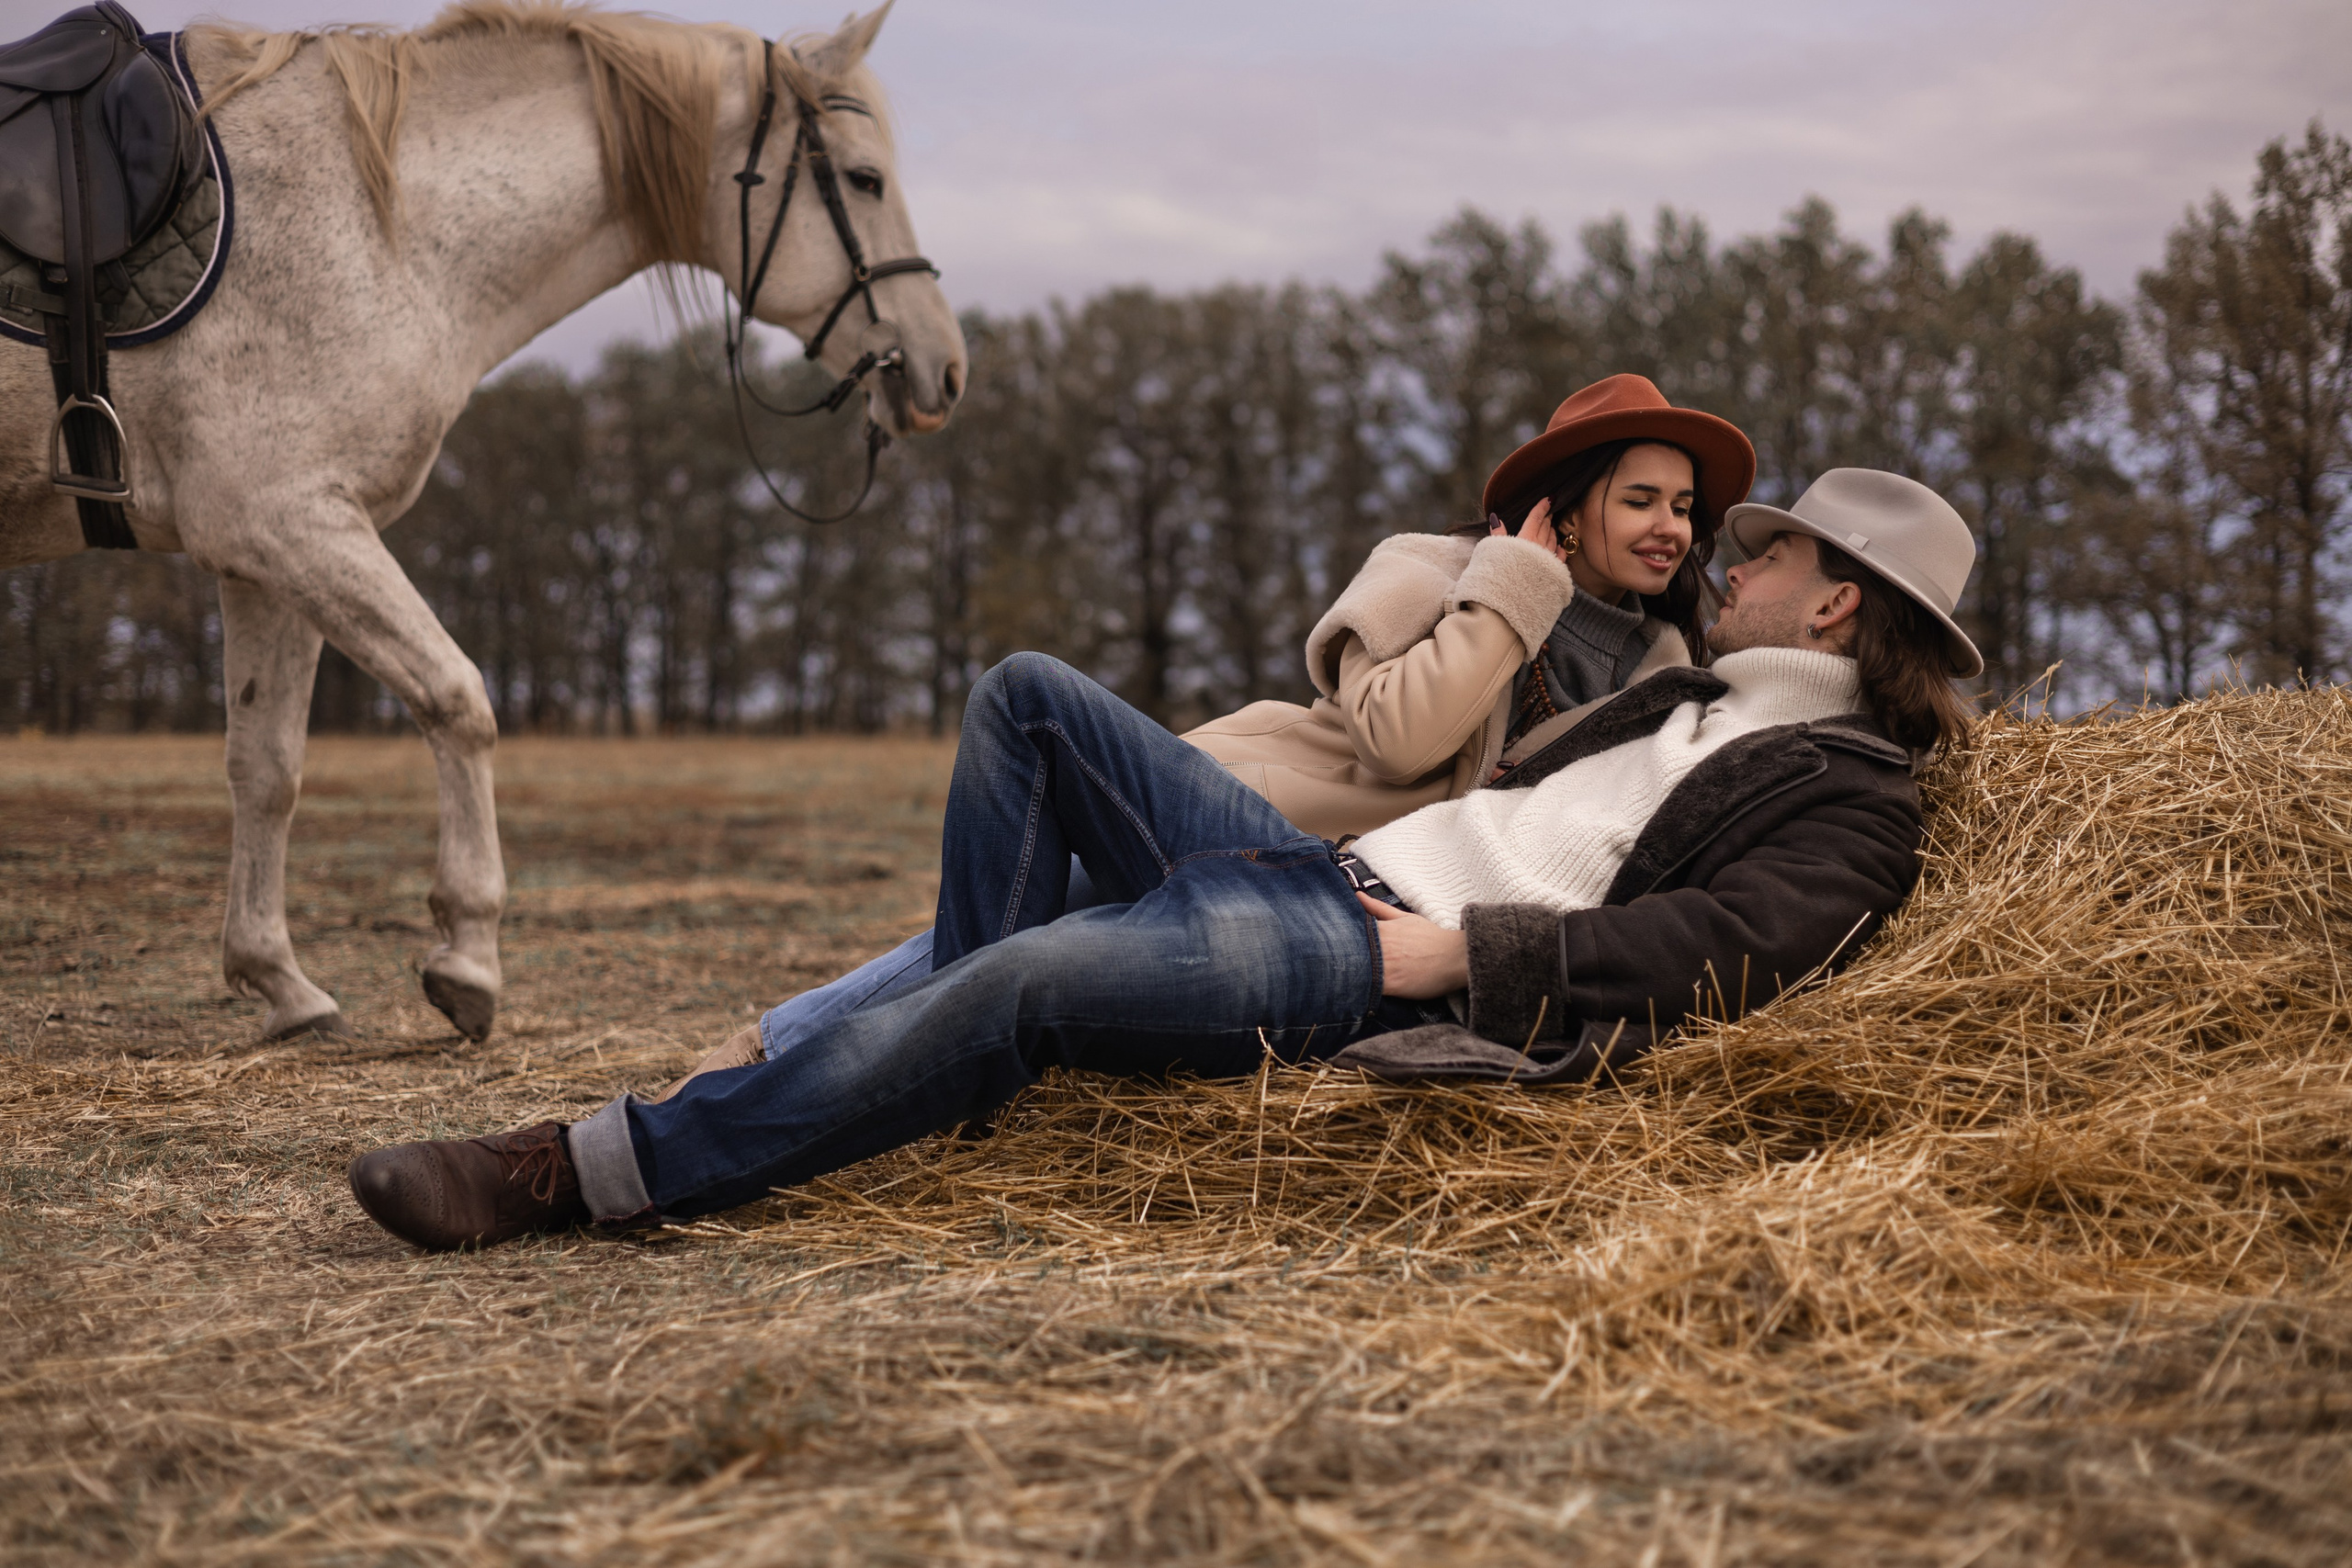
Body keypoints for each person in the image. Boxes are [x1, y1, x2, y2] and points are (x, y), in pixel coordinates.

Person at [348, 467, 1984, 1251]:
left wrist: (1460, 959)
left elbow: (1729, 947)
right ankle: (950, 1065)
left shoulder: (1848, 789)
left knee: (1038, 969)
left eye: (1761, 549)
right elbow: (1426, 740)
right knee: (1026, 704)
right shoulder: (1661, 695)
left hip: (1367, 947)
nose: (1730, 558)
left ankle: (580, 1169)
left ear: (1836, 599)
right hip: (1297, 865)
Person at [669, 374, 1756, 1095]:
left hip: (1358, 894)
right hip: (1243, 819)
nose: (1671, 529)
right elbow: (1398, 739)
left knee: (1035, 933)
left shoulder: (1664, 677)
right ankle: (779, 1070)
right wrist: (1512, 590)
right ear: (1565, 511)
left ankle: (778, 1057)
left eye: (1683, 508)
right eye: (1641, 500)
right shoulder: (1432, 571)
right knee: (1030, 839)